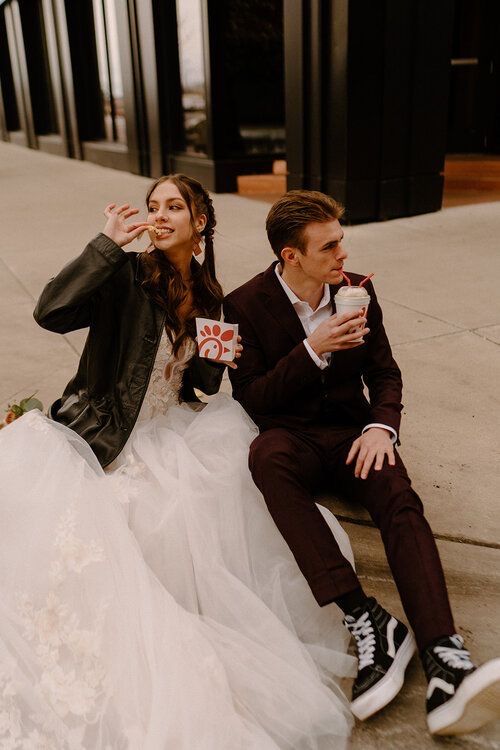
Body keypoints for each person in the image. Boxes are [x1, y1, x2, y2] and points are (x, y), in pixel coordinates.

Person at [0, 175, 357, 748]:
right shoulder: (125, 272)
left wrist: (219, 360)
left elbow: (192, 386)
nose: (160, 215)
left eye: (175, 207)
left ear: (201, 222)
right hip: (108, 431)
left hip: (167, 430)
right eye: (152, 207)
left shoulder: (214, 298)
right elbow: (51, 311)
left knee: (215, 499)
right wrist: (107, 243)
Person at [223, 189, 500, 737]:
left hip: (355, 435)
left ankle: (445, 653)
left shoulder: (357, 291)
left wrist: (382, 426)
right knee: (264, 456)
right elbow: (252, 397)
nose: (342, 256)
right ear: (290, 256)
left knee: (397, 495)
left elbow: (386, 372)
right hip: (295, 436)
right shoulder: (244, 305)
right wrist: (312, 349)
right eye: (329, 247)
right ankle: (366, 617)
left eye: (341, 241)